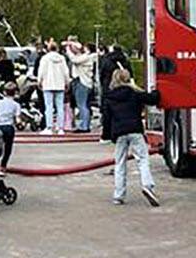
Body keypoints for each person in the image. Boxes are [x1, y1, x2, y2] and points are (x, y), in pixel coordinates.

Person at [104, 67, 160, 207]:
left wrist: (108, 135)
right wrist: (155, 90)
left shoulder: (109, 97)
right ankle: (147, 186)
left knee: (120, 163)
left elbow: (106, 118)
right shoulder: (134, 93)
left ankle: (118, 195)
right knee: (142, 159)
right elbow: (153, 99)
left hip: (119, 133)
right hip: (135, 130)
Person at [99, 45, 132, 141]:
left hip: (109, 88)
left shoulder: (106, 60)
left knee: (108, 112)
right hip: (125, 87)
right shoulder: (125, 60)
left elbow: (102, 74)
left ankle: (107, 134)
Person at [36, 42, 70, 135]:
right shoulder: (62, 58)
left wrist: (39, 81)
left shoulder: (45, 58)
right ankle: (60, 128)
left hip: (48, 83)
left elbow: (41, 71)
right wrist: (67, 82)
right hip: (60, 84)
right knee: (60, 107)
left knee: (49, 107)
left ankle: (49, 127)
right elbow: (66, 72)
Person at [67, 42, 97, 133]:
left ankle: (84, 126)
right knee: (85, 105)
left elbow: (74, 60)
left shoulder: (87, 57)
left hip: (83, 82)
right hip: (86, 82)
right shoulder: (89, 57)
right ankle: (85, 124)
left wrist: (68, 49)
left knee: (81, 105)